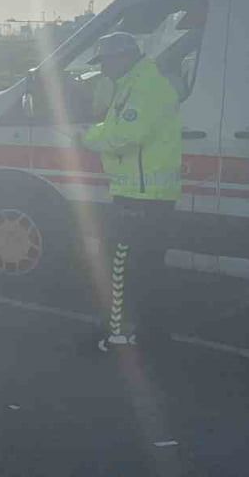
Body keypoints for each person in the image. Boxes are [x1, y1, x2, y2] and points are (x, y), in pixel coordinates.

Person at [78, 32, 182, 353]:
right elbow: (114, 128)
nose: (103, 68)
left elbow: (127, 136)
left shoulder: (144, 87)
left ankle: (117, 336)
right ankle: (153, 336)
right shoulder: (134, 85)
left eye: (106, 61)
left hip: (142, 193)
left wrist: (86, 140)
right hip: (147, 192)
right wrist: (92, 131)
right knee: (147, 269)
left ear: (123, 57)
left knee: (120, 264)